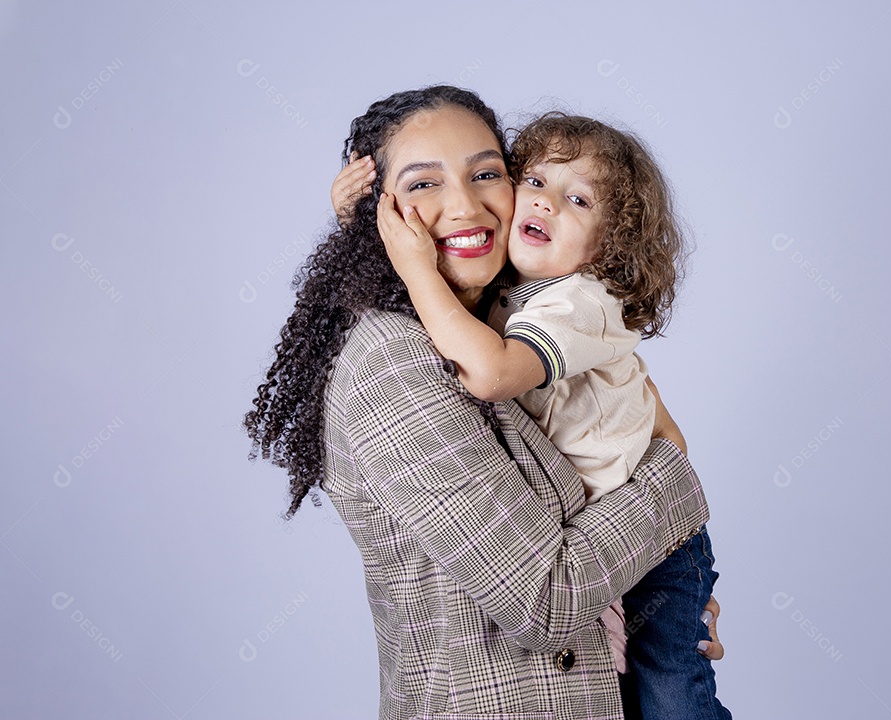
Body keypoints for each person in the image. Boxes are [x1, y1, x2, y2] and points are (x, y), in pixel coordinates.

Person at [246, 86, 721, 720]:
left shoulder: (518, 314)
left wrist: (662, 608)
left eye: (487, 173)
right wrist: (672, 496)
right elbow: (545, 601)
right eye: (422, 185)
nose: (466, 205)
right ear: (382, 219)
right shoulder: (391, 363)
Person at [374, 112, 731, 720]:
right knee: (626, 690)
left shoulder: (582, 300)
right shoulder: (509, 286)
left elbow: (489, 373)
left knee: (672, 695)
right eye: (534, 182)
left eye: (579, 200)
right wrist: (358, 213)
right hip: (608, 535)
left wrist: (413, 270)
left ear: (609, 245)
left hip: (647, 542)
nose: (546, 205)